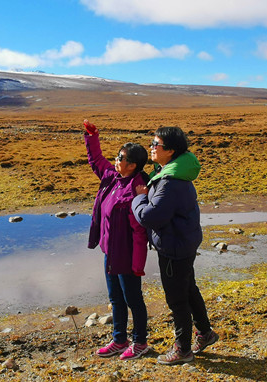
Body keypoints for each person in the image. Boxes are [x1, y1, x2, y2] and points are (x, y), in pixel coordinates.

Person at [131, 126, 218, 365]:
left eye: (155, 144)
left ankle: (183, 349)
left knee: (177, 299)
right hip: (183, 242)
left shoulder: (169, 181)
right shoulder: (173, 172)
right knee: (189, 289)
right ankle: (205, 333)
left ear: (170, 150)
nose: (151, 147)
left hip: (174, 247)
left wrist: (138, 198)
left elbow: (151, 216)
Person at [83, 119, 151, 360]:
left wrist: (137, 264)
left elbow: (140, 232)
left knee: (133, 299)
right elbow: (96, 161)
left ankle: (140, 342)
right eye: (117, 156)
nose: (116, 160)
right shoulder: (113, 178)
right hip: (110, 252)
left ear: (132, 165)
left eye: (121, 158)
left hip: (127, 255)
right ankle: (119, 340)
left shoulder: (138, 187)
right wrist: (92, 138)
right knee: (115, 299)